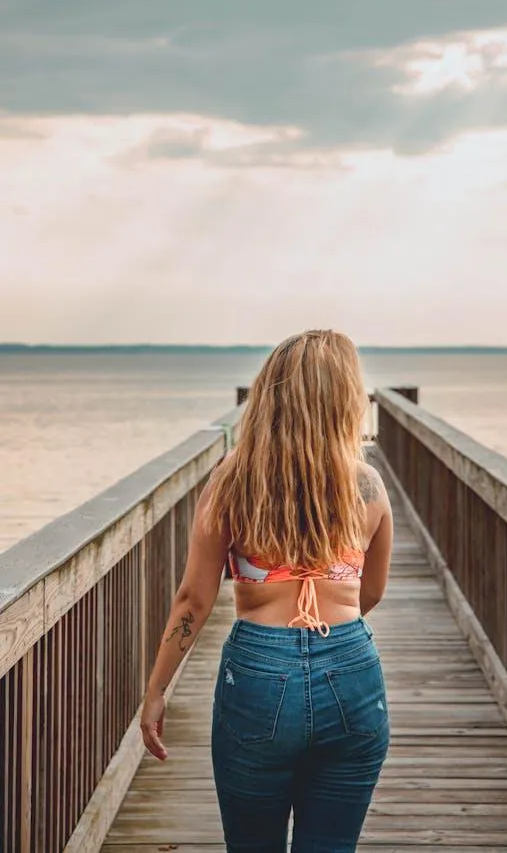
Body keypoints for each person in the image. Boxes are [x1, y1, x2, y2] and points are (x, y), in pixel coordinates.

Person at [140, 329, 394, 853]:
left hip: (259, 671)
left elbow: (193, 599)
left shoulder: (233, 481)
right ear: (345, 399)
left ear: (270, 397)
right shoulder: (368, 485)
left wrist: (157, 688)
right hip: (351, 667)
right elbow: (371, 592)